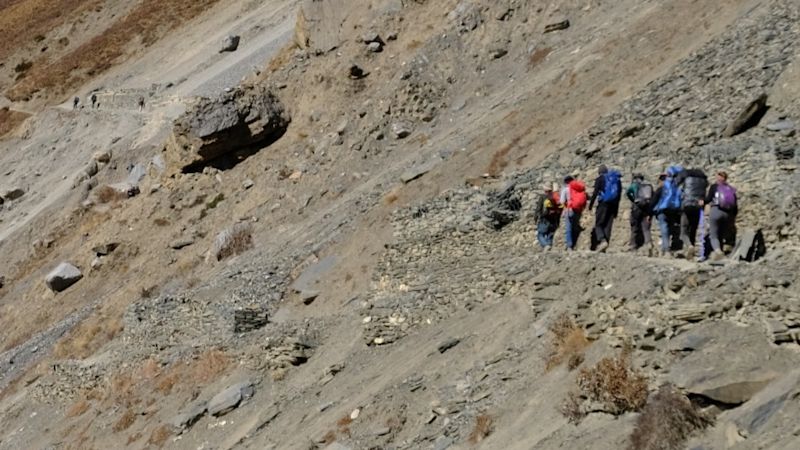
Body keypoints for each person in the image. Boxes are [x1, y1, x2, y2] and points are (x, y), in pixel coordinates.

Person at [588, 165, 622, 252]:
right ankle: (604, 246)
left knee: (599, 224)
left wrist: (590, 206)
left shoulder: (600, 179)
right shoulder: (616, 180)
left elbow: (595, 193)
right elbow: (618, 196)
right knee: (607, 225)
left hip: (603, 204)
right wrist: (616, 211)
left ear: (599, 172)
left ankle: (602, 241)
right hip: (613, 205)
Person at [676, 168, 708, 259]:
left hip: (687, 205)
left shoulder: (686, 178)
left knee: (683, 231)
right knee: (693, 229)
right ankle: (691, 253)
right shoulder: (703, 181)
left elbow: (678, 188)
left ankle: (689, 246)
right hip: (698, 206)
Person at [705, 171, 738, 261]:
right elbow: (735, 206)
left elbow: (708, 199)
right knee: (721, 235)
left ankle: (718, 251)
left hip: (716, 211)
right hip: (727, 214)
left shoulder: (714, 187)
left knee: (713, 235)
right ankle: (721, 255)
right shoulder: (731, 189)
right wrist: (732, 217)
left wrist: (702, 202)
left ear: (718, 178)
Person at [652, 167, 682, 256]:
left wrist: (649, 213)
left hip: (662, 210)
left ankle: (666, 249)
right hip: (673, 210)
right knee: (669, 228)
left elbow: (654, 200)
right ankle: (665, 248)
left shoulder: (662, 188)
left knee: (664, 229)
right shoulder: (676, 187)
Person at [625, 173, 653, 253]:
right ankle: (648, 243)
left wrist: (633, 200)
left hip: (636, 208)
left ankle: (632, 246)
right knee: (646, 228)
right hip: (646, 209)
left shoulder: (634, 185)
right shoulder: (648, 186)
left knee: (634, 227)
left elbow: (627, 192)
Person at [561, 175, 587, 251]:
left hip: (569, 210)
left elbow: (562, 201)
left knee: (568, 227)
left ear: (566, 182)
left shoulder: (565, 189)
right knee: (575, 227)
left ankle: (569, 246)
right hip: (578, 210)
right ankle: (575, 244)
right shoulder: (577, 189)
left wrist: (565, 208)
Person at [534, 183, 561, 250]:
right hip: (553, 219)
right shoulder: (554, 197)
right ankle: (549, 245)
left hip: (544, 219)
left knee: (540, 234)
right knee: (550, 234)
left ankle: (545, 245)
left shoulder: (543, 197)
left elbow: (538, 208)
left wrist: (536, 217)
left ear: (545, 190)